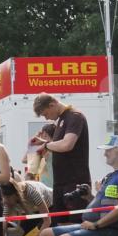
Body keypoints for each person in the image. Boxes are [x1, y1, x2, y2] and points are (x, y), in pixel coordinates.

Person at [33, 94, 90, 224]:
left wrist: (46, 145)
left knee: (75, 224)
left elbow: (67, 145)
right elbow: (58, 145)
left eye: (46, 114)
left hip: (75, 181)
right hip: (59, 182)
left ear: (52, 104)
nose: (46, 118)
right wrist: (43, 142)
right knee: (60, 224)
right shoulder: (60, 120)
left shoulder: (75, 116)